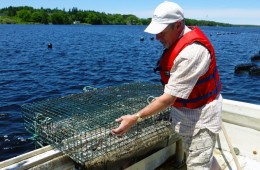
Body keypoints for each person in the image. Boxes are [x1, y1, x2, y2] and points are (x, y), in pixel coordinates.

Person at [112, 1, 222, 169]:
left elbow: (168, 99)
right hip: (184, 115)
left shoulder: (192, 52)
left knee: (199, 162)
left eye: (161, 32)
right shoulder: (178, 40)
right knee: (200, 155)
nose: (157, 37)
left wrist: (135, 118)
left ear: (178, 26)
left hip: (201, 119)